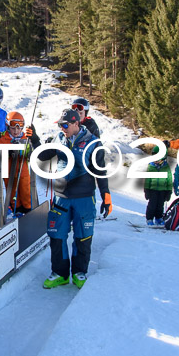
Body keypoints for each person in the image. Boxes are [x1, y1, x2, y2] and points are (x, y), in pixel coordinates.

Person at [37, 109, 112, 290]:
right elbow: (42, 156)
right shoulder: (59, 138)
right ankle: (60, 274)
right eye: (60, 125)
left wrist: (106, 196)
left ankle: (79, 272)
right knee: (57, 236)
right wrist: (34, 140)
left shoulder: (93, 142)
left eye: (65, 125)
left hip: (84, 197)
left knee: (83, 236)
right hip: (62, 197)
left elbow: (100, 171)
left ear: (76, 123)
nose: (62, 128)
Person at [0, 111, 41, 216]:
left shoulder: (25, 138)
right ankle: (16, 209)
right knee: (12, 191)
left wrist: (27, 148)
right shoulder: (3, 138)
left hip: (23, 169)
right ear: (8, 127)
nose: (16, 131)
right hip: (8, 170)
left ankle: (28, 209)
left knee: (25, 189)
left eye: (19, 128)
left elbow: (32, 152)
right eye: (13, 128)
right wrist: (8, 151)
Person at [144, 145, 172, 226]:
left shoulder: (166, 167)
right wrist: (146, 189)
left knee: (160, 205)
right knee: (152, 205)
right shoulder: (151, 167)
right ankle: (149, 218)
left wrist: (169, 191)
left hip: (163, 190)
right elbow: (147, 179)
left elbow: (169, 180)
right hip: (153, 190)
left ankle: (158, 218)